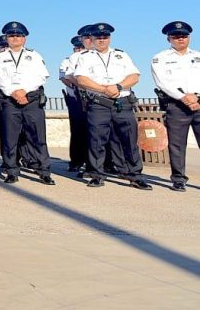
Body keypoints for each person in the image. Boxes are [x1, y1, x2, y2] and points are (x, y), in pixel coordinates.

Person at [72, 23, 151, 190]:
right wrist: (103, 89)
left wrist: (119, 87)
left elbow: (134, 76)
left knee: (129, 141)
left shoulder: (121, 55)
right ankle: (96, 175)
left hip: (122, 103)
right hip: (99, 104)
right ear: (91, 38)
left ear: (109, 38)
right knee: (96, 141)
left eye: (105, 37)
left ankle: (135, 175)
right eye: (98, 37)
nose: (102, 40)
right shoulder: (84, 57)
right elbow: (81, 79)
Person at [0, 22, 56, 185]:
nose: (15, 38)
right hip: (10, 101)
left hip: (31, 100)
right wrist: (14, 92)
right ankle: (11, 170)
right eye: (11, 36)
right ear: (7, 38)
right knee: (10, 138)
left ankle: (44, 171)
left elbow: (41, 76)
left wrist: (24, 91)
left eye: (18, 35)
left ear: (24, 38)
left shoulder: (34, 56)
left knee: (38, 137)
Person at [150, 21, 200, 192]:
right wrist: (184, 97)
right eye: (176, 36)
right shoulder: (160, 59)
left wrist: (196, 98)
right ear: (168, 38)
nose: (180, 39)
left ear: (189, 37)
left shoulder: (198, 55)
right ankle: (178, 179)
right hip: (177, 105)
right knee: (177, 145)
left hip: (199, 103)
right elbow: (162, 83)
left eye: (184, 36)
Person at [59, 30, 92, 173]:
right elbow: (65, 78)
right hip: (76, 99)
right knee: (78, 131)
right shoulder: (68, 60)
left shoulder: (92, 57)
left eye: (81, 47)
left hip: (94, 98)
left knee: (98, 132)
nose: (79, 50)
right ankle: (76, 161)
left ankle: (104, 162)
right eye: (76, 48)